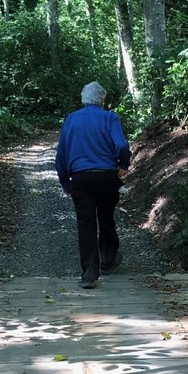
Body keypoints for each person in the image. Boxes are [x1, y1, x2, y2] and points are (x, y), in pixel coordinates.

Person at [56, 82, 131, 288]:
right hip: (106, 177)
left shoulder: (71, 119)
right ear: (102, 100)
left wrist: (65, 181)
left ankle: (89, 274)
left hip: (79, 178)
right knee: (106, 217)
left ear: (83, 98)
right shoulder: (109, 117)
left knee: (86, 224)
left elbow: (61, 153)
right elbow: (122, 145)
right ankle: (108, 259)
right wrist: (123, 164)